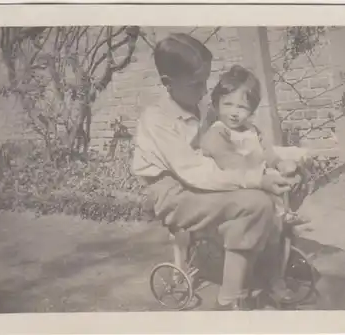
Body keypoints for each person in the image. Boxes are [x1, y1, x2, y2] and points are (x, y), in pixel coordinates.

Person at [132, 33, 298, 310]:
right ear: (167, 84)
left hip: (198, 183)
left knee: (259, 203)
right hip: (172, 192)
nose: (205, 91)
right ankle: (231, 300)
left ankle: (247, 282)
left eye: (206, 81)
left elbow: (226, 151)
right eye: (197, 83)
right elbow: (194, 171)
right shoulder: (158, 119)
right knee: (254, 203)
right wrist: (254, 178)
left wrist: (276, 163)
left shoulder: (197, 106)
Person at [200, 64, 310, 224]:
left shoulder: (252, 131)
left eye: (242, 107)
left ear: (251, 111)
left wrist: (279, 163)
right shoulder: (218, 133)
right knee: (271, 185)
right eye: (228, 105)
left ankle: (283, 214)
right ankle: (276, 218)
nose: (234, 113)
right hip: (236, 183)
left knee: (296, 174)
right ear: (217, 105)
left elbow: (266, 152)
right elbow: (228, 162)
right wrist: (261, 174)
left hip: (258, 176)